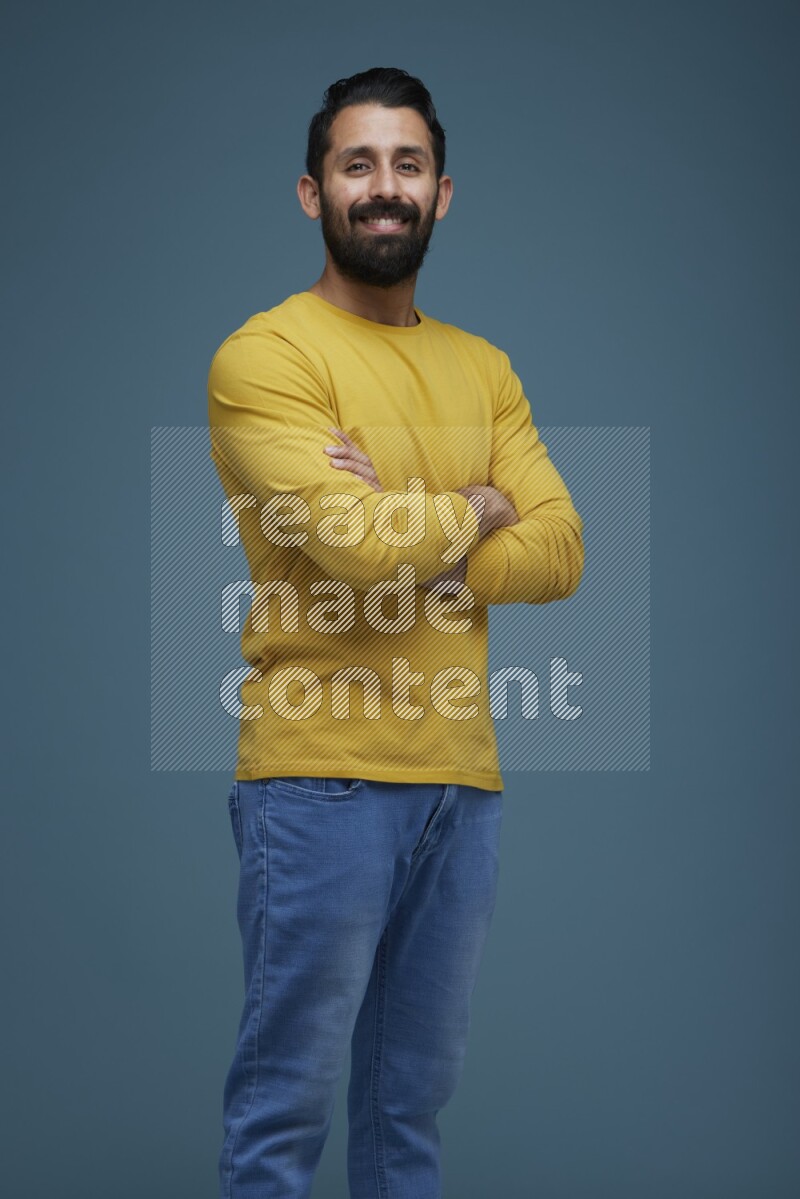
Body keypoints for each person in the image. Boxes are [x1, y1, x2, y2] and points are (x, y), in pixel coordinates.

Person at [208, 65, 584, 1199]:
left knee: (405, 1112)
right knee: (285, 1109)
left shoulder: (486, 367)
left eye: (405, 164)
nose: (383, 186)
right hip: (318, 777)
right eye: (356, 163)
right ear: (311, 192)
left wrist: (401, 512)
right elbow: (352, 544)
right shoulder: (265, 357)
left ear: (442, 192)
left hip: (460, 783)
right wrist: (473, 500)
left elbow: (561, 550)